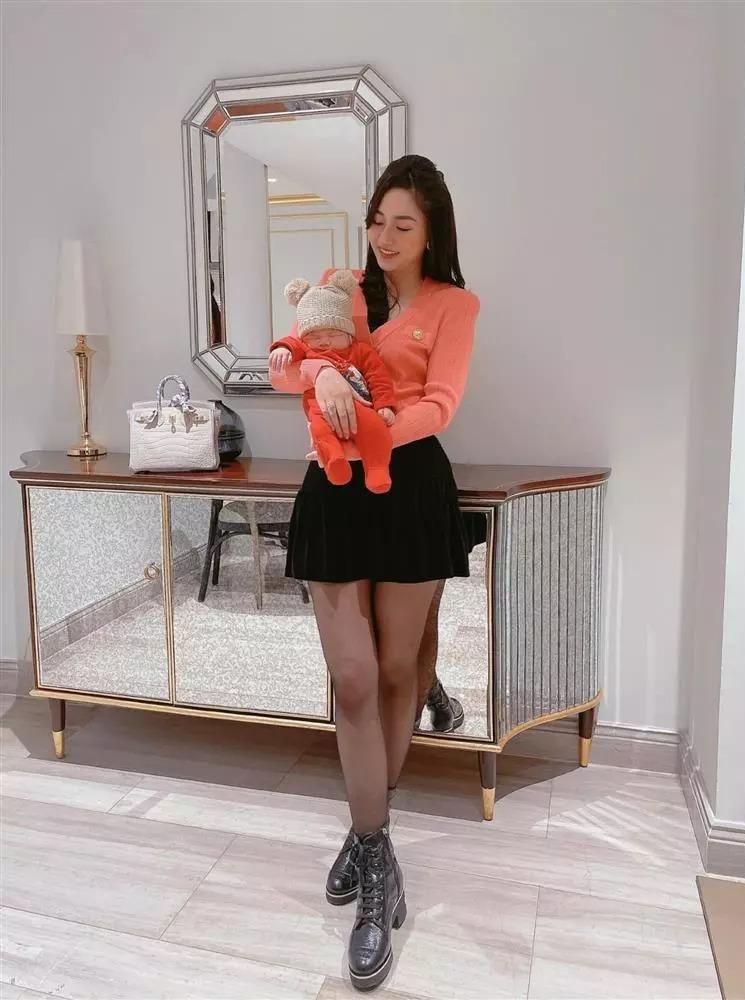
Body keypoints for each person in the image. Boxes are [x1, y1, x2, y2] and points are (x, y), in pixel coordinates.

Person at [270, 153, 480, 992]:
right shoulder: (340, 287)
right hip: (335, 492)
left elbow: (444, 402)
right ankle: (376, 862)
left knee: (397, 671)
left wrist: (380, 423)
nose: (385, 238)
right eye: (377, 221)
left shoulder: (455, 305)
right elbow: (289, 359)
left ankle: (368, 836)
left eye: (404, 225)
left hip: (409, 487)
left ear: (431, 233)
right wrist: (322, 371)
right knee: (352, 677)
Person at [270, 269, 397, 493]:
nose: (324, 341)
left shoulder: (360, 351)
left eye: (333, 334)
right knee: (321, 433)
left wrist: (384, 405)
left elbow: (379, 378)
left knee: (377, 430)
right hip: (321, 409)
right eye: (315, 336)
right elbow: (291, 343)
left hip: (360, 407)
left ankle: (377, 469)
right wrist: (282, 349)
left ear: (348, 333)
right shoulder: (306, 349)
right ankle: (334, 462)